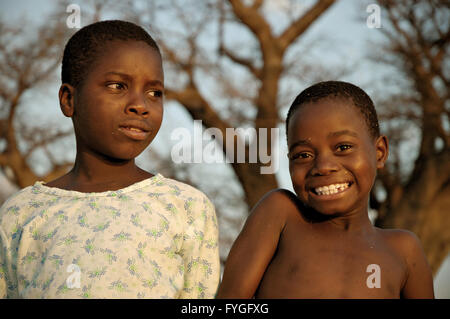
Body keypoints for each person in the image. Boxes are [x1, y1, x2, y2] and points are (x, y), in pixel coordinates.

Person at [0, 20, 219, 299]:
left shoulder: (186, 207)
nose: (140, 105)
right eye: (118, 86)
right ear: (69, 99)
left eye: (155, 93)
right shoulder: (21, 213)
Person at [217, 81, 434, 299]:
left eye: (343, 147)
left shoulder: (403, 250)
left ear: (379, 153)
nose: (322, 166)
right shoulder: (281, 215)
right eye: (303, 155)